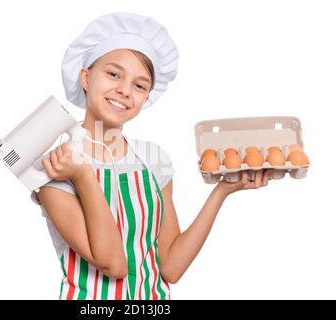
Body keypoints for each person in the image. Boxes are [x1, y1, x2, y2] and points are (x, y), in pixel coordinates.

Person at [31, 12, 271, 300]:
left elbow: (171, 268)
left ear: (147, 97)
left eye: (140, 85)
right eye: (113, 74)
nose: (124, 90)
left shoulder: (153, 159)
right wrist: (83, 175)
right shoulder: (54, 165)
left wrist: (222, 191)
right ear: (85, 77)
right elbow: (112, 264)